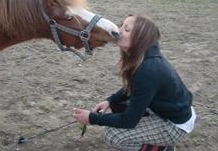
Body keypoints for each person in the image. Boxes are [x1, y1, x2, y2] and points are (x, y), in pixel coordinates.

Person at [72, 15, 196, 151]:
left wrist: (92, 118)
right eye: (121, 26)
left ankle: (164, 148)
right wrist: (110, 101)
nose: (118, 31)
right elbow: (134, 87)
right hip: (164, 108)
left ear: (140, 39)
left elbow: (129, 121)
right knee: (111, 110)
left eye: (126, 29)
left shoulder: (148, 69)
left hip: (174, 125)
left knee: (113, 136)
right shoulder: (143, 58)